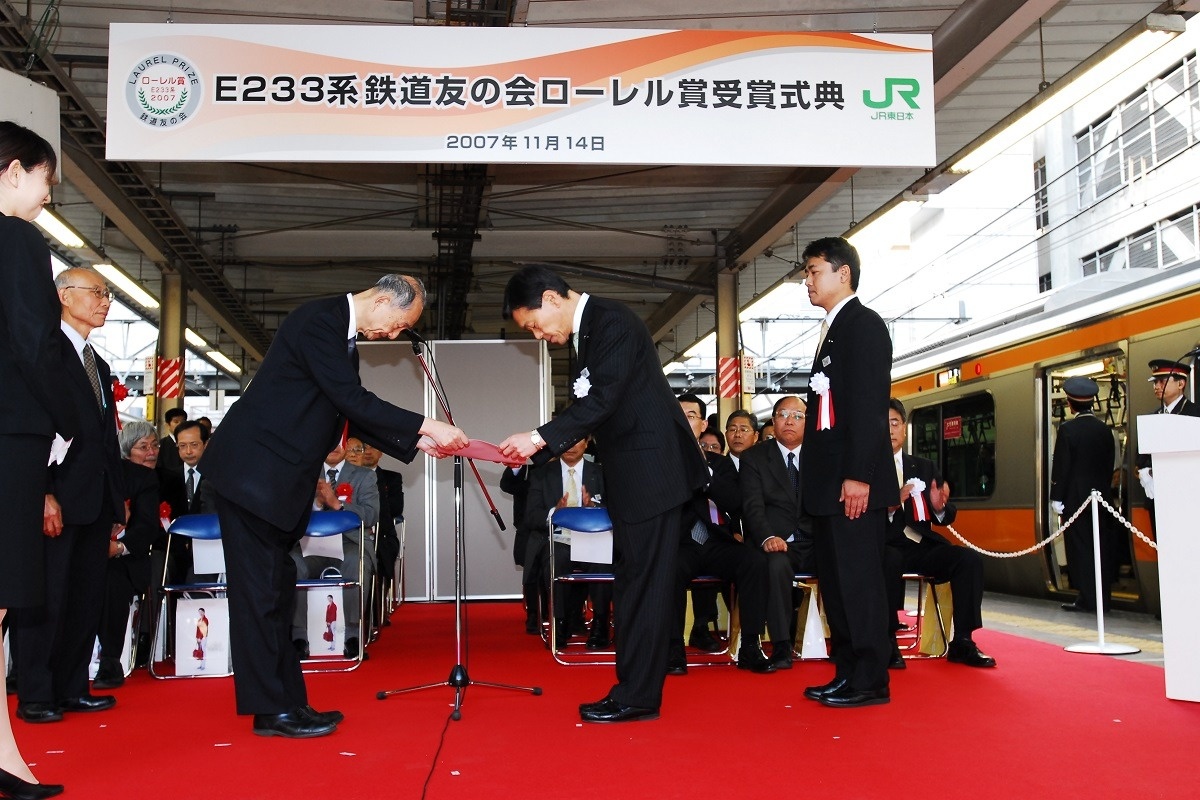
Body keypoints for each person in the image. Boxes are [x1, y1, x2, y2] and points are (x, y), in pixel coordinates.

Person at [198, 274, 467, 739]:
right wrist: (426, 423)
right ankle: (269, 710)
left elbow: (345, 411)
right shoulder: (319, 320)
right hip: (252, 477)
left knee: (277, 593)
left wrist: (419, 441)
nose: (395, 335)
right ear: (382, 300)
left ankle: (288, 703)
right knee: (260, 597)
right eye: (399, 323)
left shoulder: (341, 339)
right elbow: (352, 399)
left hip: (275, 483)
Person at [498, 265, 708, 724]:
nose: (537, 334)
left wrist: (537, 439)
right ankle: (630, 689)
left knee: (646, 587)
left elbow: (601, 401)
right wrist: (534, 449)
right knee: (634, 583)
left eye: (533, 323)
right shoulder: (588, 333)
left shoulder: (611, 322)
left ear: (552, 298)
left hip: (653, 472)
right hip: (634, 474)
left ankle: (639, 696)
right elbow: (592, 408)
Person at [14, 267, 125, 725]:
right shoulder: (43, 350)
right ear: (63, 296)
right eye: (96, 292)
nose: (105, 302)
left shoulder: (97, 363)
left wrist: (117, 503)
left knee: (84, 597)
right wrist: (41, 493)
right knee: (47, 597)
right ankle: (36, 692)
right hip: (56, 497)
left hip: (95, 499)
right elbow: (33, 426)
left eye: (108, 294)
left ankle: (72, 686)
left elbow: (105, 440)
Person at [799, 236, 898, 709]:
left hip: (851, 485)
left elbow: (868, 407)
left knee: (858, 582)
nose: (807, 280)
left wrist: (859, 474)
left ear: (844, 273)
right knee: (837, 584)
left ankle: (870, 677)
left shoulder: (864, 325)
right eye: (806, 272)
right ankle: (848, 671)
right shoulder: (833, 328)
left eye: (814, 270)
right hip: (828, 486)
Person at [0, 119, 69, 800]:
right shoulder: (16, 238)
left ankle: (5, 756)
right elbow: (33, 341)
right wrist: (70, 418)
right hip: (9, 435)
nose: (47, 197)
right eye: (47, 180)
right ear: (15, 170)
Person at [883, 399, 995, 667]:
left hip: (920, 544)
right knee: (888, 561)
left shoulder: (923, 466)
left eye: (895, 423)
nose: (889, 430)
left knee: (968, 560)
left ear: (905, 428)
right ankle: (886, 641)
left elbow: (945, 515)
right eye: (883, 424)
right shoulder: (865, 468)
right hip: (883, 544)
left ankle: (963, 641)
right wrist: (889, 505)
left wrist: (939, 507)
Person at [668, 393, 774, 676]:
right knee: (668, 569)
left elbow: (734, 501)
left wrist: (705, 472)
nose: (683, 420)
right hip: (681, 543)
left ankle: (750, 646)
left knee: (754, 562)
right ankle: (673, 651)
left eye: (690, 416)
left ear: (703, 424)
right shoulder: (663, 461)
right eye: (678, 415)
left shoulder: (720, 463)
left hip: (716, 542)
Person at [739, 396, 818, 669]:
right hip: (778, 542)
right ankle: (782, 646)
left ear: (808, 422)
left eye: (797, 415)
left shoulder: (821, 456)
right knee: (774, 565)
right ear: (773, 421)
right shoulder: (755, 458)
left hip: (815, 541)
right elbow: (752, 506)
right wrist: (767, 537)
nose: (790, 420)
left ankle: (848, 641)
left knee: (844, 561)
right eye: (783, 414)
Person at [290, 443, 380, 660]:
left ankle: (352, 636)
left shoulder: (364, 476)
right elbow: (288, 512)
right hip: (310, 544)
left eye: (339, 442)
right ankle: (299, 637)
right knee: (292, 565)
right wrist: (318, 505)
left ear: (346, 446)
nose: (332, 446)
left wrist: (337, 504)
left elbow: (371, 515)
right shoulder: (302, 473)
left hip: (349, 542)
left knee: (355, 563)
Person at [94, 420, 163, 689]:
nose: (151, 452)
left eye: (154, 445)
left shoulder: (143, 478)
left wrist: (117, 545)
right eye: (143, 447)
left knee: (112, 580)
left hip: (125, 558)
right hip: (85, 552)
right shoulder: (84, 472)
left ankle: (110, 661)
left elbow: (147, 527)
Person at [521, 438, 609, 647]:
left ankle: (600, 623)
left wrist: (593, 509)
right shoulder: (542, 473)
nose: (570, 446)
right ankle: (558, 624)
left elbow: (616, 510)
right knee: (556, 558)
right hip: (556, 537)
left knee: (603, 559)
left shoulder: (602, 472)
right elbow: (531, 517)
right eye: (566, 441)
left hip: (592, 537)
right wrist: (555, 512)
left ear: (587, 443)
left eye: (577, 441)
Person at [1051, 376, 1117, 613]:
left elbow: (1062, 466)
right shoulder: (1105, 430)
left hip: (1076, 500)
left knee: (1081, 549)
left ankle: (1087, 598)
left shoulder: (1068, 430)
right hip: (1102, 499)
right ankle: (1103, 598)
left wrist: (1057, 496)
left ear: (1070, 403)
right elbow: (1109, 465)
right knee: (1100, 548)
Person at [1135, 359, 1200, 532]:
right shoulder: (1153, 417)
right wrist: (1145, 473)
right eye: (1155, 382)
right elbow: (1140, 457)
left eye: (1162, 381)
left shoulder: (1195, 414)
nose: (1157, 386)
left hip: (1189, 498)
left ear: (1181, 383)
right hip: (1157, 497)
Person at [157, 407, 187, 480]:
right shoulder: (161, 445)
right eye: (176, 422)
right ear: (168, 425)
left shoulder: (191, 443)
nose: (180, 425)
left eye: (183, 422)